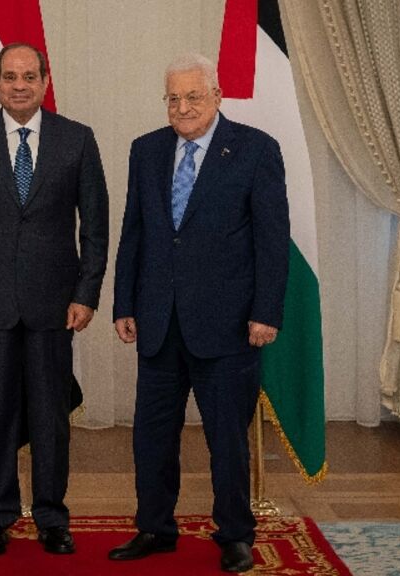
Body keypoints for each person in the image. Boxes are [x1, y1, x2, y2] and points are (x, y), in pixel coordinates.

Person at [108, 53, 289, 573]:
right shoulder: (146, 151)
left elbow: (272, 240)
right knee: (152, 437)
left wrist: (266, 312)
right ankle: (155, 528)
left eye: (193, 96)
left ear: (217, 96)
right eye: (173, 97)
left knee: (226, 440)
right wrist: (125, 302)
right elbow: (134, 232)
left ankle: (234, 534)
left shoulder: (255, 150)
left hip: (230, 325)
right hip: (158, 321)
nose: (182, 107)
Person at [0, 42, 108, 557]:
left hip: (55, 304)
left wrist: (87, 293)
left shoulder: (78, 140)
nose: (19, 85)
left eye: (29, 76)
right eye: (9, 76)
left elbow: (95, 228)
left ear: (45, 81)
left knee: (51, 414)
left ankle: (53, 516)